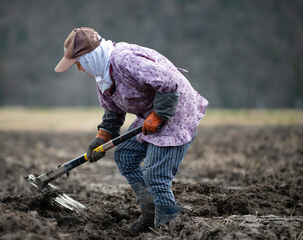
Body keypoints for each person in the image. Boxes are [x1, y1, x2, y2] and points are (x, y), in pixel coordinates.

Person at [54, 27, 208, 233]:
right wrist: (102, 137)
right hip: (151, 113)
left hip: (176, 110)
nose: (80, 70)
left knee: (155, 174)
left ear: (89, 57)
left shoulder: (125, 60)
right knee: (125, 155)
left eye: (78, 64)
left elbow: (170, 81)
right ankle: (150, 211)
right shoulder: (102, 74)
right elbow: (113, 110)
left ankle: (168, 224)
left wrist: (160, 114)